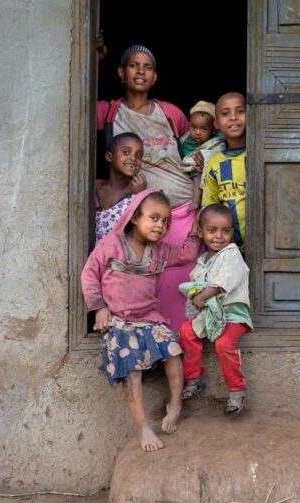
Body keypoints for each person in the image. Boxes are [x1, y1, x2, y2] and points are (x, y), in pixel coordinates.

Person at [81, 189, 202, 452]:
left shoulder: (159, 252)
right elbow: (89, 274)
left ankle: (176, 403)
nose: (161, 225)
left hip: (150, 319)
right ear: (135, 218)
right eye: (154, 218)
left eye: (166, 221)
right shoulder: (111, 245)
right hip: (121, 323)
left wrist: (195, 220)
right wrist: (99, 307)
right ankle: (143, 427)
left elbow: (187, 253)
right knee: (132, 374)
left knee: (174, 353)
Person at [96, 43, 198, 332]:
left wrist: (202, 162)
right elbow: (76, 103)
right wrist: (95, 59)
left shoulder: (170, 113)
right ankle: (155, 350)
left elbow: (194, 144)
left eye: (148, 67)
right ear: (120, 72)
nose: (141, 71)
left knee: (183, 288)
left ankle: (182, 357)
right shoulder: (109, 112)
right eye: (133, 65)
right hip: (143, 217)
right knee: (153, 287)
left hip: (184, 210)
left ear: (155, 77)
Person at [178, 204, 253, 416]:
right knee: (186, 331)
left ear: (232, 232)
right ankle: (194, 378)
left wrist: (202, 295)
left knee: (223, 343)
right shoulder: (202, 261)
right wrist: (194, 305)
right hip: (209, 315)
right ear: (200, 232)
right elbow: (194, 288)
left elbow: (224, 280)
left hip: (233, 315)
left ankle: (237, 391)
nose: (219, 236)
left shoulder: (232, 253)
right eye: (212, 230)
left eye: (226, 231)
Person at [201, 92, 247, 251]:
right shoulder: (215, 163)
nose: (233, 117)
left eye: (240, 111)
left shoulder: (259, 156)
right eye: (225, 113)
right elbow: (209, 206)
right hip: (229, 248)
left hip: (266, 244)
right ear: (216, 124)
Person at [95, 132, 147, 244]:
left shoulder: (137, 191)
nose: (133, 158)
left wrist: (141, 196)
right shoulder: (94, 188)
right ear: (109, 156)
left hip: (121, 258)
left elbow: (143, 230)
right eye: (126, 152)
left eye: (139, 156)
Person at [179, 101, 226, 212]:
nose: (197, 132)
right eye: (193, 128)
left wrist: (205, 159)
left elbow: (217, 154)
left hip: (196, 170)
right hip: (183, 168)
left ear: (213, 129)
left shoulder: (215, 143)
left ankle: (196, 200)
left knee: (196, 176)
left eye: (203, 129)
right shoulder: (186, 138)